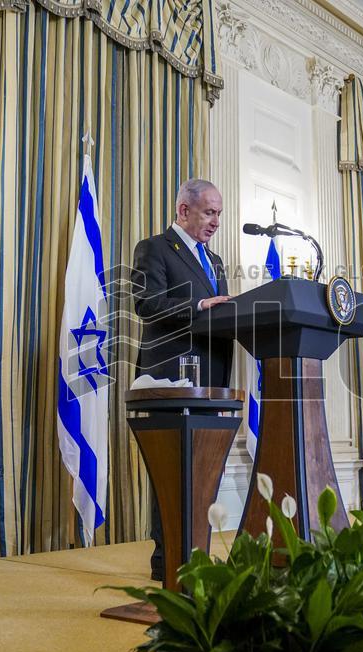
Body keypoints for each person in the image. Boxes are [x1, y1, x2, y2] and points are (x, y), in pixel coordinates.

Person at [131, 178, 233, 581]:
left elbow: (222, 316)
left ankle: (196, 553)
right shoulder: (155, 248)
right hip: (170, 380)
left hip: (211, 381)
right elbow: (147, 304)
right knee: (172, 473)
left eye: (219, 213)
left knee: (203, 473)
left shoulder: (217, 261)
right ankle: (167, 559)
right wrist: (199, 303)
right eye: (209, 212)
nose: (216, 221)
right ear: (182, 210)